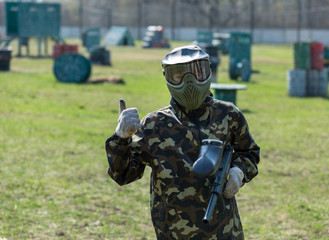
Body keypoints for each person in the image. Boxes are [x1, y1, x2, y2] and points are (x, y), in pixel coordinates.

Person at [105, 45, 260, 240]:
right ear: (168, 77)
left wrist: (238, 173)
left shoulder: (228, 115)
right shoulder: (154, 125)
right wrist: (121, 138)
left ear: (208, 72)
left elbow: (249, 153)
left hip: (225, 230)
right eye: (178, 75)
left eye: (197, 72)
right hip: (173, 232)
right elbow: (123, 175)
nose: (190, 82)